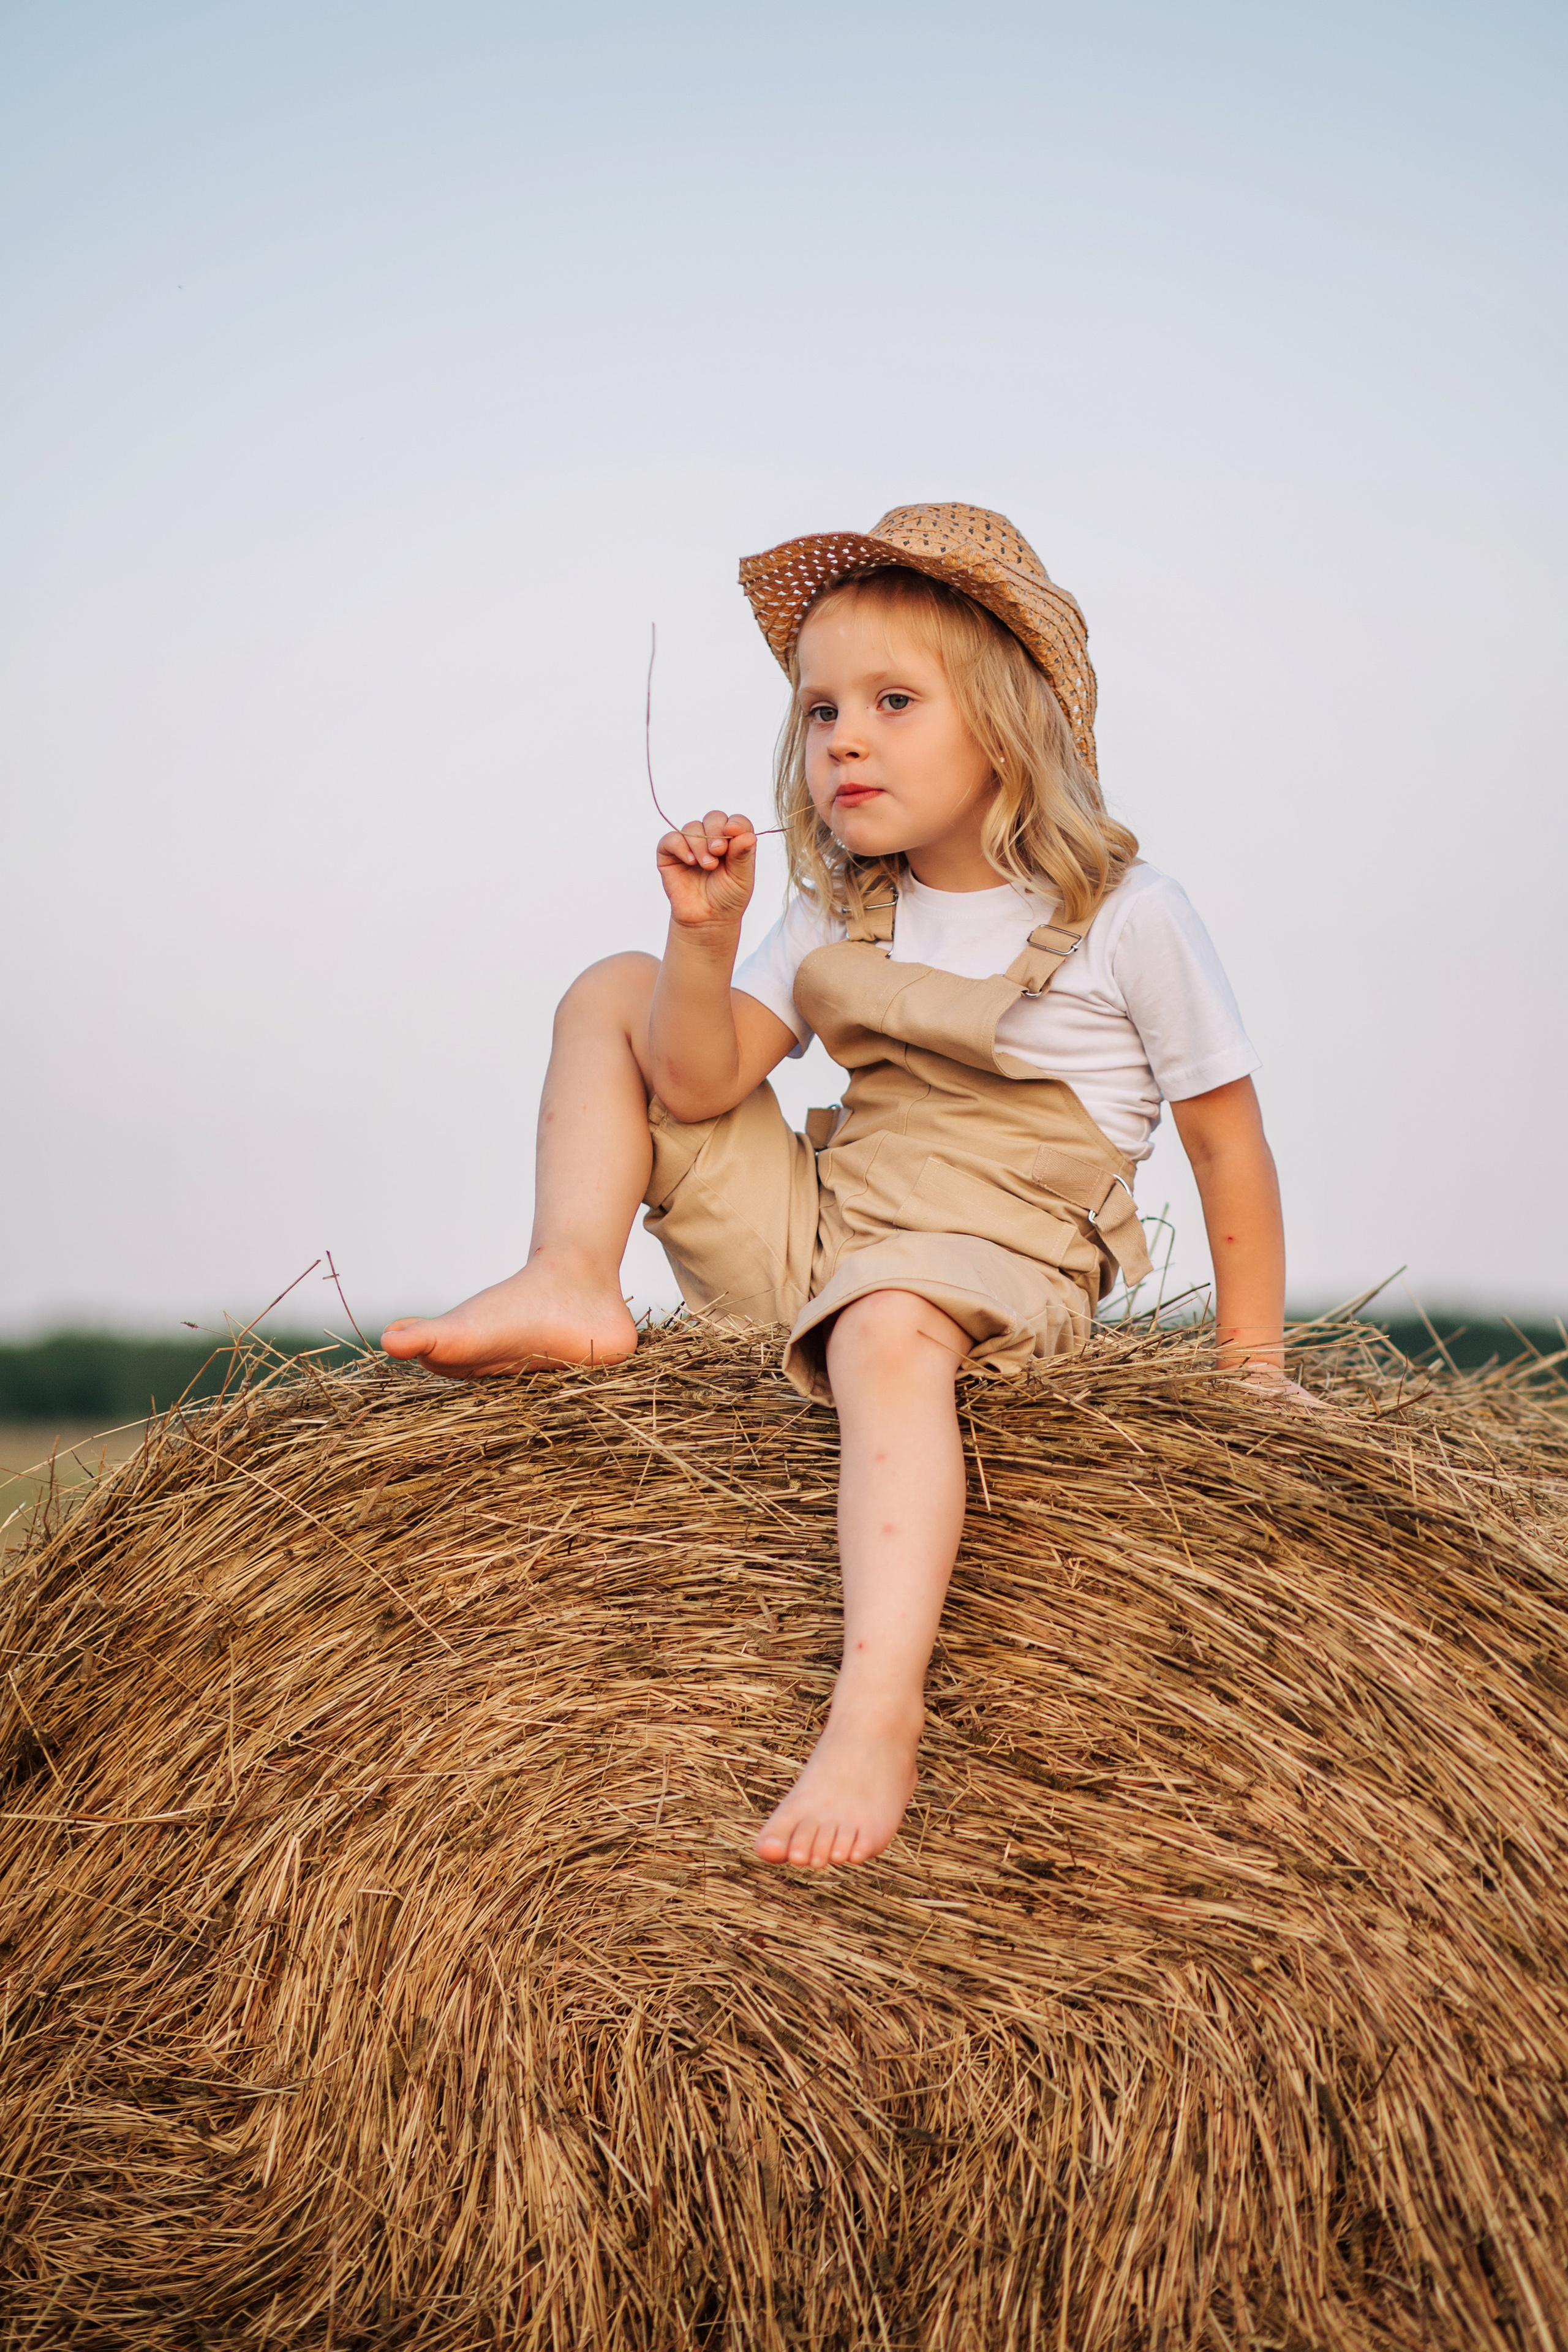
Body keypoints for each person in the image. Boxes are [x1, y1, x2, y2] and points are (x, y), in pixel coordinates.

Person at [383, 503, 1303, 1871]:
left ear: (1003, 722)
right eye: (818, 713)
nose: (843, 741)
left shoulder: (1126, 914)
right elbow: (695, 1087)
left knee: (884, 1323)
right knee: (610, 994)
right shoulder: (837, 908)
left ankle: (877, 1709)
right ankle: (571, 1279)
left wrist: (1250, 1367)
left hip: (998, 1262)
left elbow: (1228, 1144)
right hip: (822, 1228)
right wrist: (698, 942)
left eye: (888, 702)